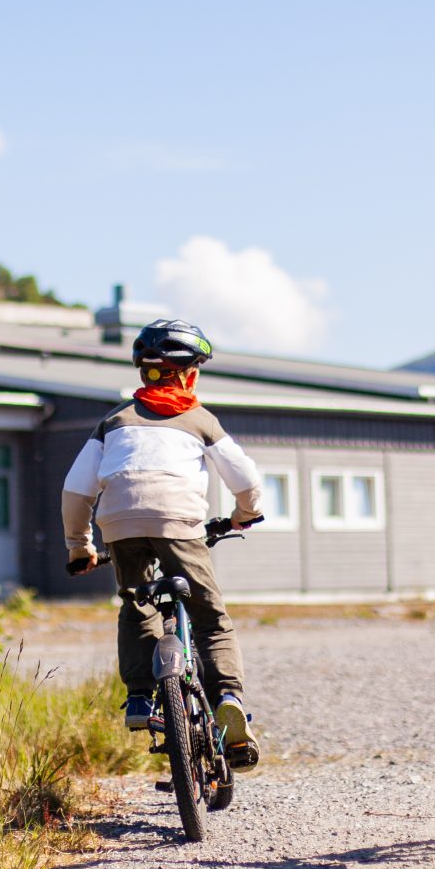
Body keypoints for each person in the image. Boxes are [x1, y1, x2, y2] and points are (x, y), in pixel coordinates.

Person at [62, 318, 263, 766]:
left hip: (120, 523)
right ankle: (227, 695)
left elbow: (76, 490)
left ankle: (138, 698)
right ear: (190, 373)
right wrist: (244, 515)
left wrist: (80, 545)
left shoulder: (113, 422)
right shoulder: (199, 420)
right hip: (180, 522)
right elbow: (245, 479)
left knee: (137, 605)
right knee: (210, 616)